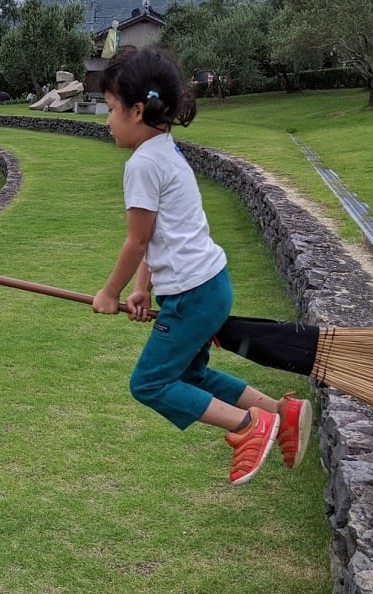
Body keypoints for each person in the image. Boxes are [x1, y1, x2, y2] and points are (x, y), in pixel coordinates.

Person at [92, 47, 312, 485]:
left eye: (112, 109)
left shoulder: (142, 164)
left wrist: (110, 293)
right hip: (209, 286)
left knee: (150, 383)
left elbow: (137, 240)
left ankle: (248, 425)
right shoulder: (167, 152)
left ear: (137, 110)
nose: (107, 120)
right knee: (190, 373)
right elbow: (159, 238)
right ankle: (279, 412)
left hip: (193, 295)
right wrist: (143, 288)